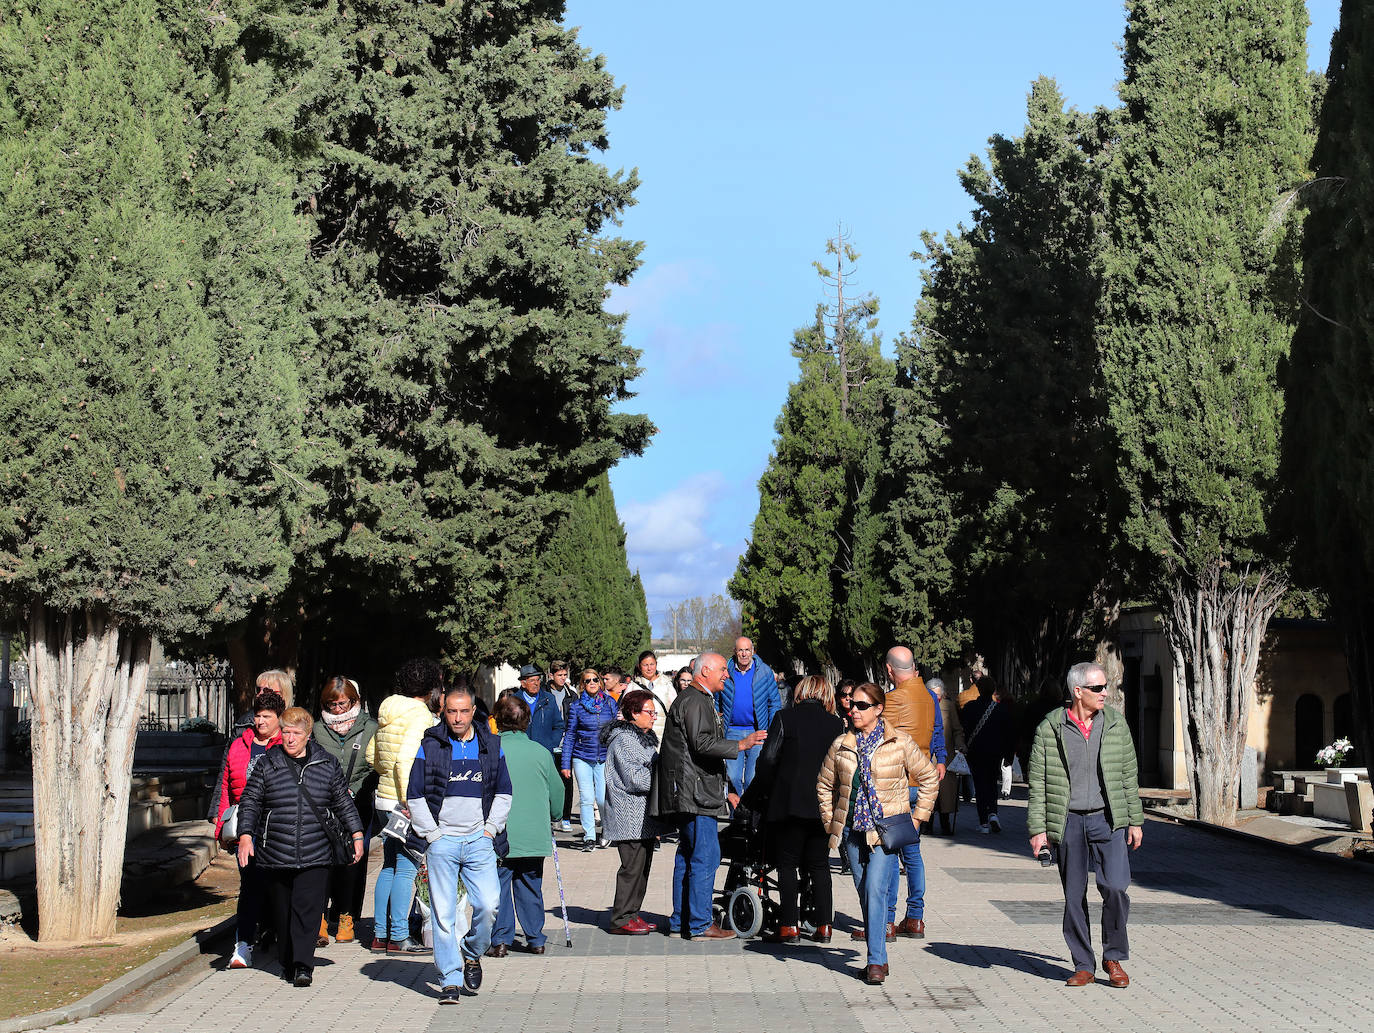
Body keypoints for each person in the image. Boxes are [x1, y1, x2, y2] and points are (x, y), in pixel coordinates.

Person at [1028, 662, 1143, 989]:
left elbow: (1128, 776)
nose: (1105, 693)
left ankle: (1114, 956)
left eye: (1105, 686)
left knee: (1116, 887)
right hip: (1069, 822)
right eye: (1098, 688)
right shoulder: (1050, 728)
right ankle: (1083, 964)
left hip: (1108, 819)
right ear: (1078, 691)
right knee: (1074, 894)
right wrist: (1038, 831)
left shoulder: (1116, 724)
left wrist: (1135, 819)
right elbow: (1038, 784)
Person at [817, 682, 938, 985]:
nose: (853, 710)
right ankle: (879, 956)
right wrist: (832, 822)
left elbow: (928, 777)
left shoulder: (898, 742)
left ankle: (874, 963)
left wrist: (917, 819)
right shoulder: (842, 744)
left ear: (878, 709)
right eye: (851, 705)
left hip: (885, 833)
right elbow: (823, 785)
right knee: (864, 893)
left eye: (861, 705)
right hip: (852, 833)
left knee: (874, 890)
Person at [236, 708, 364, 987]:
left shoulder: (326, 763)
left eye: (296, 733)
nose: (290, 739)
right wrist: (245, 835)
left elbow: (343, 802)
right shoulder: (268, 763)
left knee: (307, 911)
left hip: (315, 850)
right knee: (282, 912)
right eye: (286, 732)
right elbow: (251, 801)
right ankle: (287, 961)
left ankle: (303, 965)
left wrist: (357, 834)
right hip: (276, 851)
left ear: (308, 736)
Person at [407, 685, 512, 1004]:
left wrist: (491, 829)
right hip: (443, 842)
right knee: (443, 914)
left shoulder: (492, 745)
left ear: (473, 711)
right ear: (443, 711)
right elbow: (415, 794)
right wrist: (433, 835)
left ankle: (471, 953)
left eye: (464, 710)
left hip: (480, 840)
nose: (458, 717)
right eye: (451, 710)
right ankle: (450, 979)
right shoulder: (430, 745)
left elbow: (504, 792)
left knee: (489, 904)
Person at [651, 652, 766, 940]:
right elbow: (703, 744)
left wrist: (727, 787)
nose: (726, 675)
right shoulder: (695, 700)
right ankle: (701, 924)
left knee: (689, 855)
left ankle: (683, 922)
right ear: (704, 672)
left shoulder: (699, 699)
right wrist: (741, 744)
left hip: (692, 791)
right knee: (705, 855)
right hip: (694, 795)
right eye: (722, 671)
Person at [748, 674, 844, 944]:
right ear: (826, 693)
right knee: (819, 865)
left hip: (788, 802)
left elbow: (767, 759)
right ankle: (825, 925)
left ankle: (789, 925)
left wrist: (763, 789)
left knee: (787, 864)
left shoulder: (784, 718)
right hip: (824, 805)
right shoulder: (836, 724)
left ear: (800, 692)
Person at [366, 658, 441, 953]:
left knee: (389, 865)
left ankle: (380, 934)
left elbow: (373, 755)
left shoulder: (388, 711)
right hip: (404, 802)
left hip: (384, 800)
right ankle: (398, 935)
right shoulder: (420, 716)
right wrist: (410, 802)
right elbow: (405, 762)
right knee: (408, 867)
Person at [217, 684, 285, 970]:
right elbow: (225, 786)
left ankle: (278, 935)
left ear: (278, 718)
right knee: (250, 885)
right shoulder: (238, 745)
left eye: (267, 716)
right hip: (246, 824)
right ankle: (243, 943)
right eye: (258, 716)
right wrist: (221, 822)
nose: (260, 722)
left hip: (276, 824)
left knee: (277, 884)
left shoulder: (285, 744)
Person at [880, 646, 946, 940]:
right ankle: (916, 917)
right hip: (921, 780)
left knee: (891, 852)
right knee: (913, 851)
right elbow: (935, 733)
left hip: (898, 782)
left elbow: (878, 737)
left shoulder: (894, 699)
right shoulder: (929, 696)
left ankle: (888, 920)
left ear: (889, 669)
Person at [487, 694, 561, 957]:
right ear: (527, 722)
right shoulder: (541, 752)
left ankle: (501, 939)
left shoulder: (490, 750)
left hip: (499, 833)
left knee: (499, 886)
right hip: (532, 833)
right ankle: (535, 938)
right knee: (530, 885)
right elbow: (558, 792)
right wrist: (554, 814)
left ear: (496, 720)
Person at [311, 676, 378, 947]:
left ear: (354, 701)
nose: (338, 709)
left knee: (352, 861)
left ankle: (347, 915)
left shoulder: (370, 728)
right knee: (322, 862)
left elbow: (376, 766)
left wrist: (355, 788)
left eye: (343, 703)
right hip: (324, 807)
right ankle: (320, 917)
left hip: (357, 803)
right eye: (332, 704)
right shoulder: (317, 730)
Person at [602, 689, 668, 934]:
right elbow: (636, 779)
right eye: (649, 712)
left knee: (642, 868)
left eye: (654, 712)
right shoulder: (624, 740)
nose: (653, 717)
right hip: (627, 816)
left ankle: (633, 913)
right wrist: (662, 778)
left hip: (644, 817)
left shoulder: (645, 738)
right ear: (633, 713)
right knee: (631, 869)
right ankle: (620, 919)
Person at [560, 667, 618, 850]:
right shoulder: (576, 706)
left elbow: (616, 730)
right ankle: (589, 836)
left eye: (595, 680)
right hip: (582, 757)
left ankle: (607, 831)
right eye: (587, 681)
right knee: (586, 797)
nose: (592, 683)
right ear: (582, 685)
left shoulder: (609, 703)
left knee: (601, 798)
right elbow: (570, 735)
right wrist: (565, 763)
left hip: (603, 757)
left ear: (600, 683)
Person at [717, 636, 781, 796]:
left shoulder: (764, 672)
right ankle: (738, 813)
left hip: (757, 732)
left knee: (753, 777)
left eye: (747, 650)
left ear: (752, 651)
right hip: (732, 732)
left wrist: (770, 730)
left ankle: (751, 816)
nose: (744, 654)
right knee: (734, 777)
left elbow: (774, 703)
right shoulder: (725, 671)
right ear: (735, 652)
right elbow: (716, 700)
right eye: (740, 650)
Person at [960, 674, 1014, 833]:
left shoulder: (970, 707)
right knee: (991, 783)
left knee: (980, 784)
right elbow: (1008, 734)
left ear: (978, 688)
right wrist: (1008, 755)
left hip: (975, 751)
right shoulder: (1001, 709)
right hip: (995, 752)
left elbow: (965, 729)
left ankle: (983, 822)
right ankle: (993, 814)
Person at [928, 678, 964, 834]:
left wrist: (960, 744)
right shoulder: (923, 706)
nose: (937, 697)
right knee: (928, 792)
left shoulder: (948, 706)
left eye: (939, 694)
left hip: (945, 755)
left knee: (946, 794)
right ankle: (926, 824)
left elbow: (957, 729)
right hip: (928, 756)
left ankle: (945, 823)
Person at [546, 661, 576, 831]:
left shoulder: (572, 695)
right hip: (549, 743)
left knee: (566, 780)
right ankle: (550, 816)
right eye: (559, 675)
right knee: (550, 780)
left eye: (565, 675)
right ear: (551, 675)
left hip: (566, 744)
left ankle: (566, 817)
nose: (563, 678)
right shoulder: (544, 694)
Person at [630, 650, 675, 743]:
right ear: (639, 666)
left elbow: (675, 711)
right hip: (638, 738)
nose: (649, 668)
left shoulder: (667, 685)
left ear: (656, 664)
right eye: (645, 665)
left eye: (652, 664)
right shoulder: (633, 687)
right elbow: (624, 713)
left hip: (663, 738)